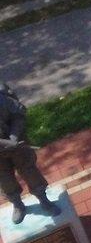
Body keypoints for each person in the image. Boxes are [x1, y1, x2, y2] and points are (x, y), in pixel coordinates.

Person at [0, 83, 54, 221]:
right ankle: (17, 204)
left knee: (30, 171)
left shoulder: (2, 100)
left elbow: (18, 115)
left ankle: (43, 198)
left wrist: (13, 137)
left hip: (17, 145)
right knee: (4, 180)